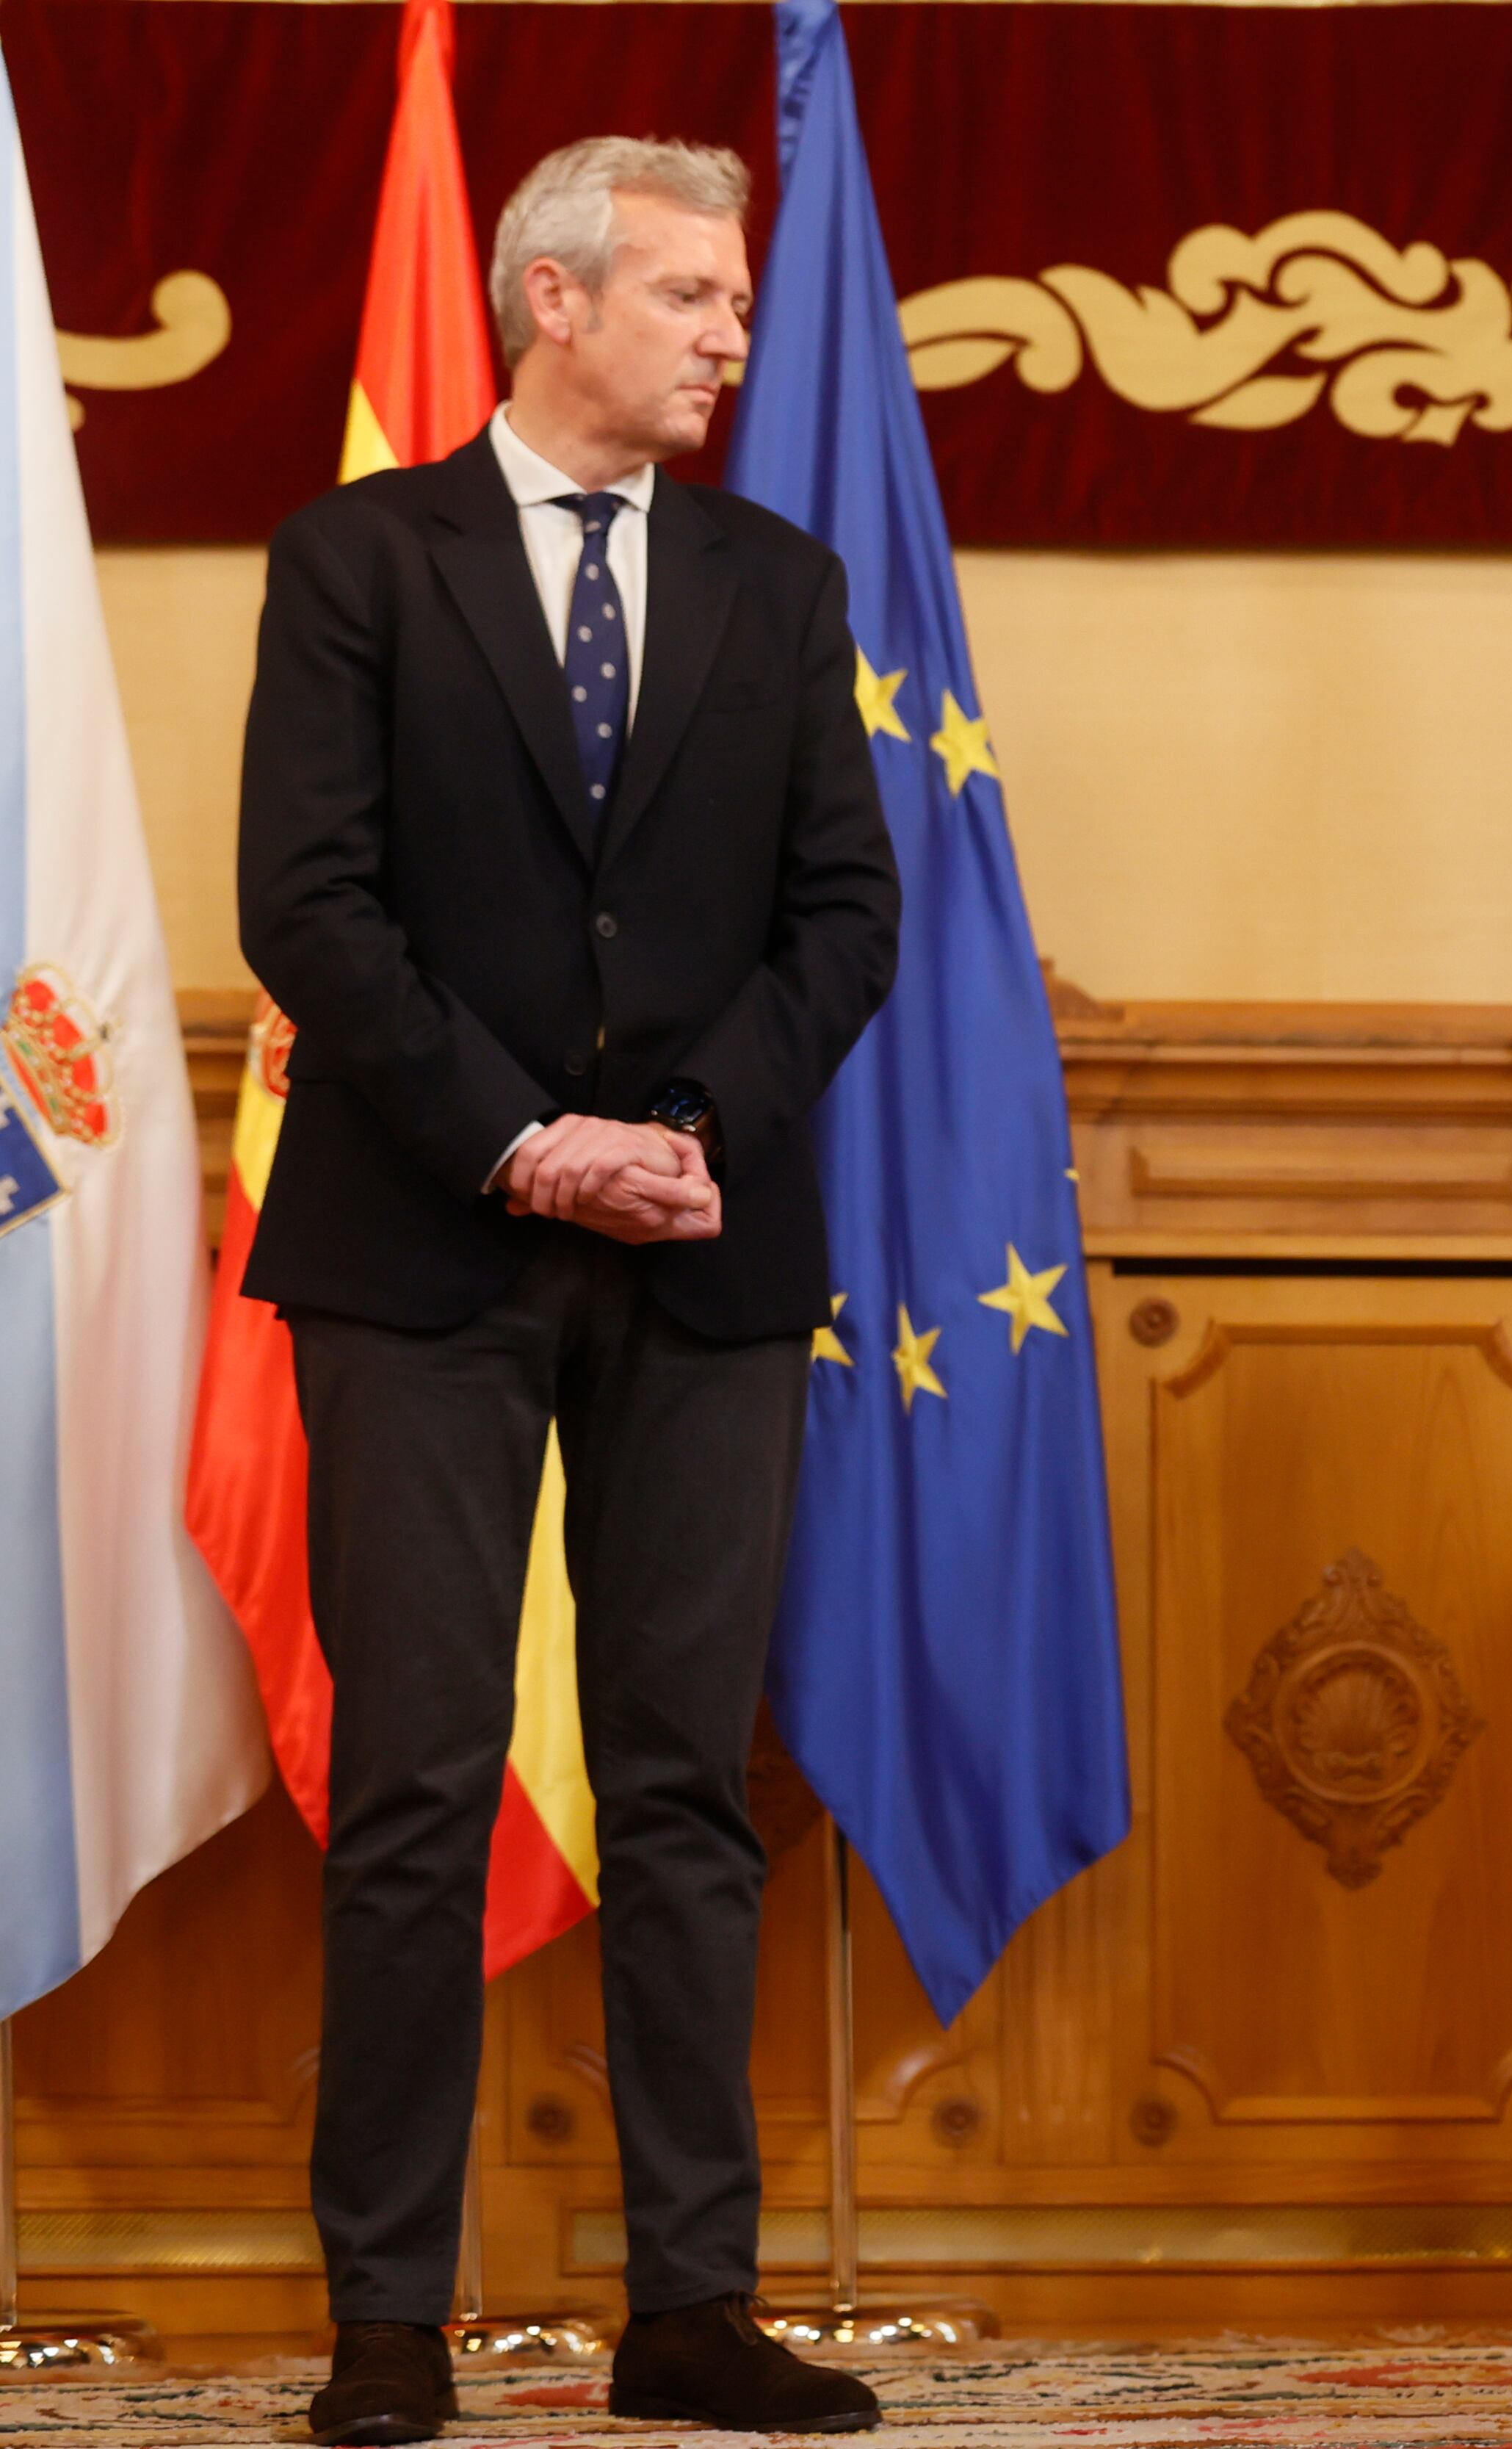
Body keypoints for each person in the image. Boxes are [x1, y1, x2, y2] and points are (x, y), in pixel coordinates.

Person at [239, 136, 900, 2442]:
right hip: (421, 1247)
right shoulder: (356, 559)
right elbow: (308, 908)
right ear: (552, 298)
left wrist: (685, 1134)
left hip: (706, 1260)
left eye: (737, 298)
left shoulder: (781, 581)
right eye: (697, 295)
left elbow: (849, 917)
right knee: (419, 1787)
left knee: (683, 1793)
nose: (734, 332)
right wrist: (528, 1142)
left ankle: (690, 2313)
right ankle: (386, 2322)